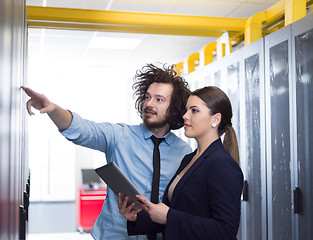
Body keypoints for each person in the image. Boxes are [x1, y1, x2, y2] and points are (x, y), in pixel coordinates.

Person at [22, 63, 192, 240]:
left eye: (159, 99)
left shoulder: (184, 152)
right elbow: (82, 130)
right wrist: (54, 109)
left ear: (174, 108)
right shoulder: (120, 136)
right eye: (147, 97)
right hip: (114, 235)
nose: (148, 104)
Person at [118, 86, 244, 240]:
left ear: (215, 119)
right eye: (186, 110)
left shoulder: (222, 164)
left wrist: (169, 216)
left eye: (194, 110)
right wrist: (137, 218)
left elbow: (225, 231)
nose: (185, 116)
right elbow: (174, 214)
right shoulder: (189, 159)